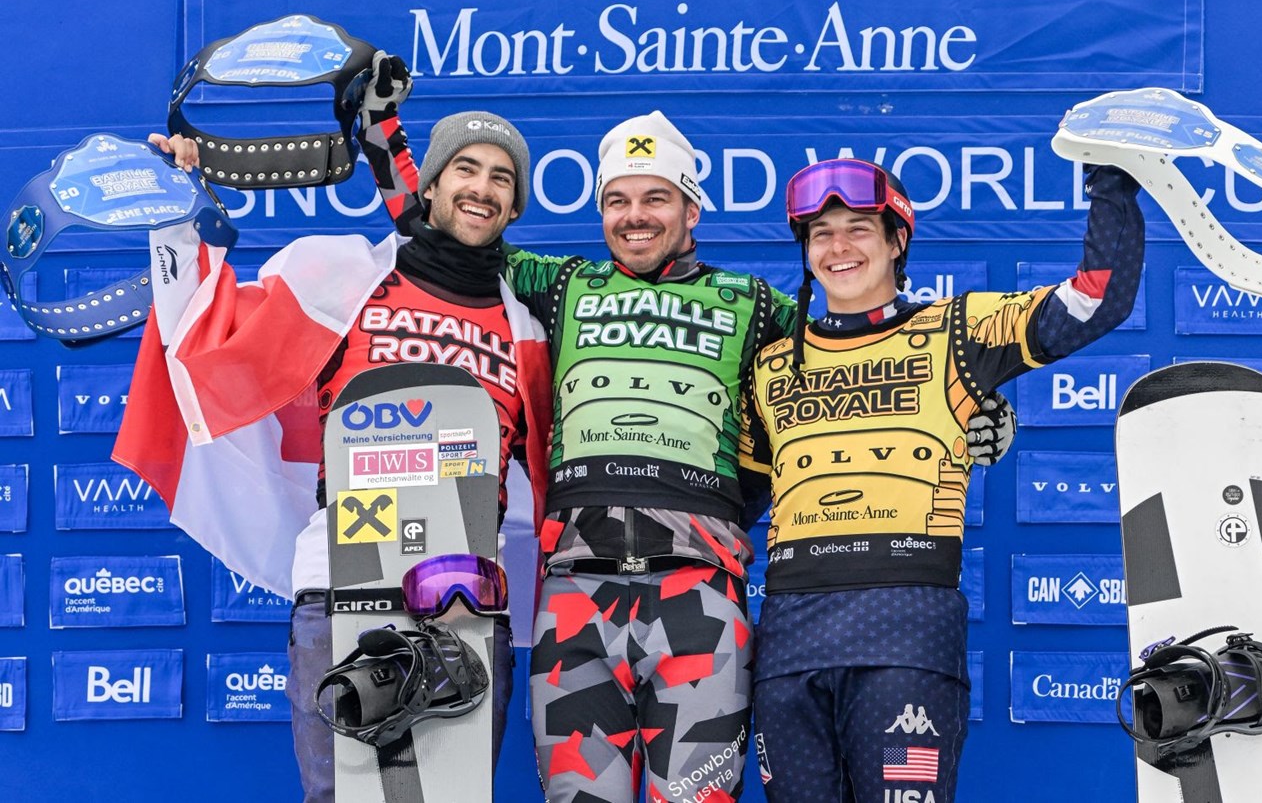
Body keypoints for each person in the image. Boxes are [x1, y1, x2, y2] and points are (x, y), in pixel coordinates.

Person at [356, 78, 1015, 802]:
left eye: (655, 197)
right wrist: (386, 134)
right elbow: (444, 226)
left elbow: (859, 357)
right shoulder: (562, 283)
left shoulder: (754, 303)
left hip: (700, 599)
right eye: (618, 200)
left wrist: (975, 415)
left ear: (691, 207)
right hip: (577, 596)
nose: (635, 217)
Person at [113, 54, 552, 802]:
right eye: (466, 170)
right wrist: (182, 210)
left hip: (465, 601)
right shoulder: (344, 280)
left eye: (502, 178)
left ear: (513, 209)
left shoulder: (529, 327)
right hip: (343, 586)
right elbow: (210, 344)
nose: (481, 187)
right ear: (433, 186)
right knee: (342, 799)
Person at [739, 157, 1144, 803]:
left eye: (858, 230)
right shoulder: (769, 364)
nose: (838, 248)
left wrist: (1111, 183)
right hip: (791, 637)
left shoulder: (955, 331)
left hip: (906, 627)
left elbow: (1094, 300)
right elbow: (729, 497)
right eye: (820, 233)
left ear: (898, 241)